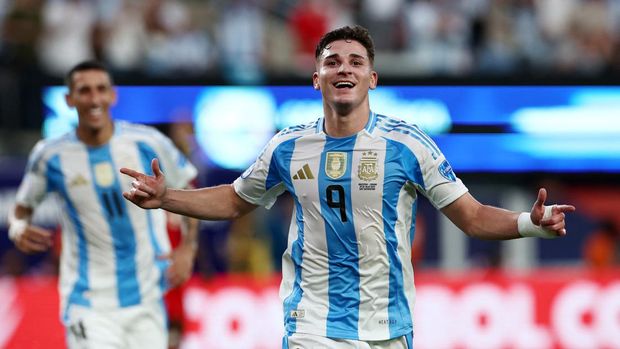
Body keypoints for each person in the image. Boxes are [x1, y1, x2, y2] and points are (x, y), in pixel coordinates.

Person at [120, 25, 576, 349]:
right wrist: (167, 198)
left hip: (388, 326)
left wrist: (528, 223)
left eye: (356, 62)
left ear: (371, 79)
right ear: (316, 78)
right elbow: (235, 200)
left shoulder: (406, 145)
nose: (345, 69)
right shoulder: (287, 146)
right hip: (312, 324)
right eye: (332, 61)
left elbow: (472, 217)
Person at [6, 60, 198, 349]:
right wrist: (18, 228)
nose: (94, 99)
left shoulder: (148, 142)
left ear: (113, 95)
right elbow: (22, 209)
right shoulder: (50, 156)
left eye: (101, 89)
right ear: (69, 99)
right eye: (84, 91)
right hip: (89, 302)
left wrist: (188, 248)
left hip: (147, 297)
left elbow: (188, 188)